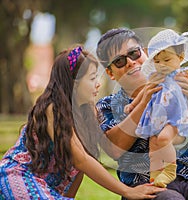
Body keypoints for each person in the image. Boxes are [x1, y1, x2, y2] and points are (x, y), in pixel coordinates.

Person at [96, 27, 188, 199]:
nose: (130, 62)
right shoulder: (107, 105)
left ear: (144, 54)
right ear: (110, 73)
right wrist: (144, 102)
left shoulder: (181, 87)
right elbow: (115, 149)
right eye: (119, 61)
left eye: (134, 53)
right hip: (148, 187)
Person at [0, 46, 165, 199]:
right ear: (74, 83)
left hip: (47, 188)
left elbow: (80, 168)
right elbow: (81, 160)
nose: (98, 84)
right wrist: (127, 191)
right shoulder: (52, 109)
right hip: (19, 176)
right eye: (93, 78)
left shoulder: (88, 114)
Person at [123, 29, 188, 188]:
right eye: (157, 62)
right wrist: (133, 104)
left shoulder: (187, 73)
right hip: (158, 118)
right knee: (153, 144)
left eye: (167, 59)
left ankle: (170, 169)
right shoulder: (156, 78)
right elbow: (145, 91)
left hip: (177, 118)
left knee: (164, 139)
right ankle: (156, 173)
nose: (162, 65)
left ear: (180, 57)